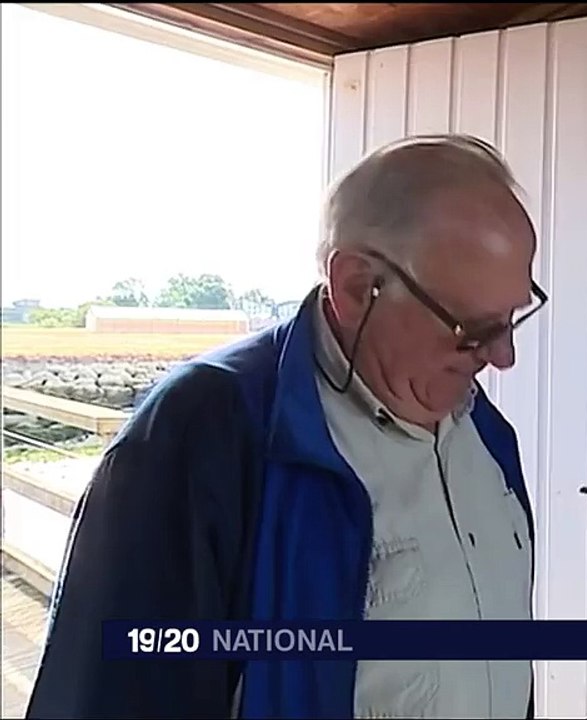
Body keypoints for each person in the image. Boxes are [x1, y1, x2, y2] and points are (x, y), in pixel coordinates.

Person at [27, 134, 544, 720]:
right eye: (472, 329)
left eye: (512, 317)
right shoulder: (203, 436)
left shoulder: (487, 435)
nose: (503, 358)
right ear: (356, 287)